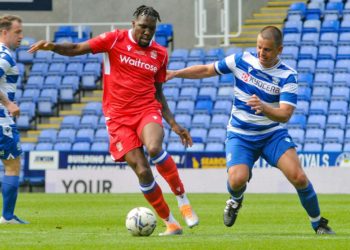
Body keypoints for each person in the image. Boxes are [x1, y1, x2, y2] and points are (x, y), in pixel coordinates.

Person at [29, 5, 198, 235]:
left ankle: (183, 200)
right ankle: (170, 222)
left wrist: (175, 125)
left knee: (155, 147)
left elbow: (158, 93)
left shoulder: (160, 53)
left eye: (151, 29)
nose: (147, 32)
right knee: (143, 171)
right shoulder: (114, 39)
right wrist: (53, 47)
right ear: (133, 25)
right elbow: (78, 47)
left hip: (146, 109)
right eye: (142, 27)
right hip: (118, 118)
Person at [167, 26, 335, 234]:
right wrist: (176, 73)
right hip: (241, 134)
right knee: (237, 180)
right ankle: (236, 200)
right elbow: (207, 69)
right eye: (259, 47)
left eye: (267, 50)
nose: (261, 53)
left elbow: (285, 114)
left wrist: (264, 108)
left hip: (271, 135)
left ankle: (318, 223)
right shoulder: (241, 60)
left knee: (298, 176)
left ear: (279, 50)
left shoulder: (288, 76)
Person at [0, 14, 28, 224]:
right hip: (2, 121)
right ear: (4, 32)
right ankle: (7, 216)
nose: (21, 36)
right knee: (12, 166)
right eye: (17, 32)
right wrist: (8, 104)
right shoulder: (4, 56)